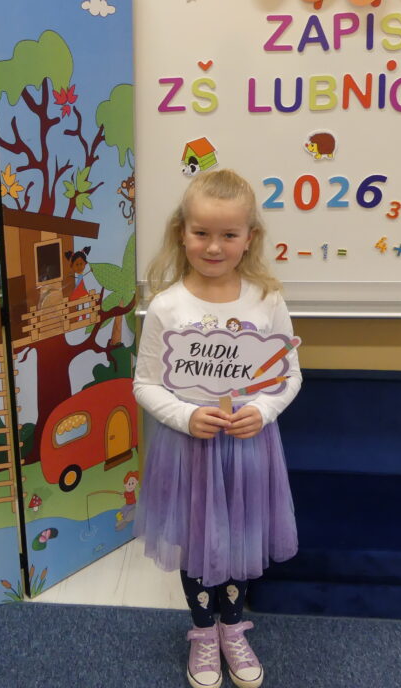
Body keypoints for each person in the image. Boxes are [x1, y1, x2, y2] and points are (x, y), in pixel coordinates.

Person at [134, 169, 301, 688]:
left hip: (248, 446)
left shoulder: (266, 299)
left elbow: (289, 375)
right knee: (199, 542)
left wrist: (264, 410)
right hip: (190, 449)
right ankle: (204, 633)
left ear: (250, 237)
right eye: (202, 232)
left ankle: (233, 628)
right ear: (181, 232)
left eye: (229, 234)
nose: (214, 246)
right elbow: (145, 384)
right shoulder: (167, 305)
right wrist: (185, 416)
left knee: (241, 539)